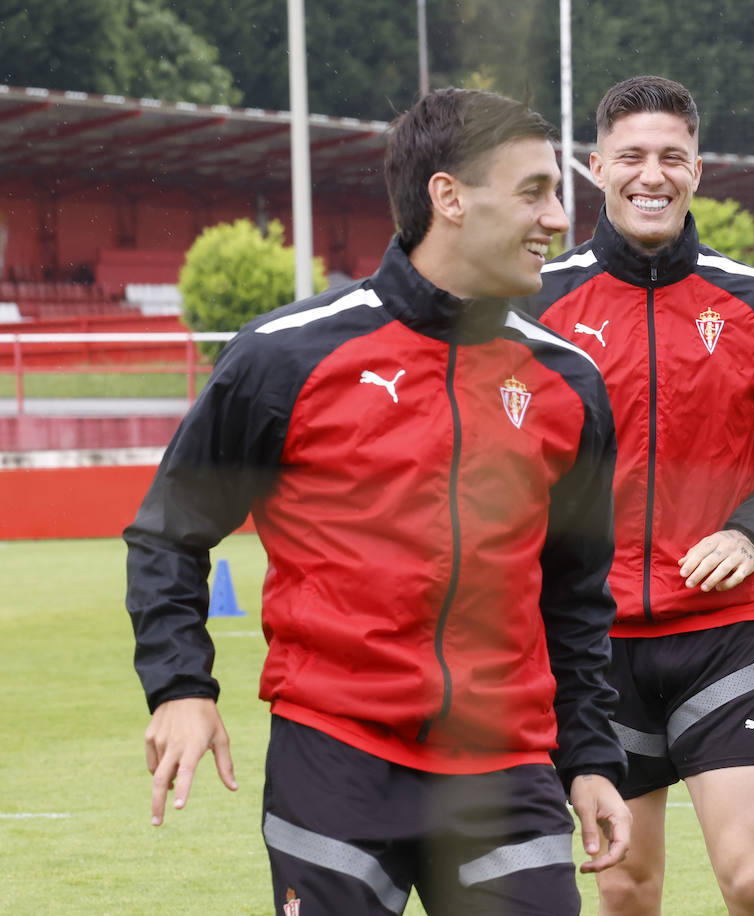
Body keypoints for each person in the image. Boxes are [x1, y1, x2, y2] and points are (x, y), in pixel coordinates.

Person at [125, 88, 631, 916]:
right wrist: (182, 688)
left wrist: (592, 759)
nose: (558, 216)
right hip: (337, 758)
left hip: (507, 768)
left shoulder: (570, 385)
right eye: (535, 190)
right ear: (449, 196)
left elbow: (574, 598)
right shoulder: (284, 358)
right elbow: (169, 534)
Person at [525, 76, 754, 916]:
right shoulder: (536, 307)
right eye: (631, 156)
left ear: (698, 171)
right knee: (629, 890)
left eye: (672, 157)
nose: (652, 174)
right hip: (592, 646)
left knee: (748, 880)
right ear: (595, 168)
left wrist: (751, 536)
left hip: (719, 633)